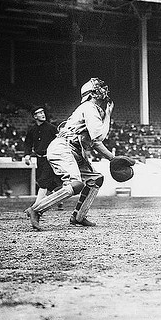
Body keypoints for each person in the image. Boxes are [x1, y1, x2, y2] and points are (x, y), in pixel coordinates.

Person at [24, 78, 127, 231]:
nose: (103, 90)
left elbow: (96, 140)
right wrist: (108, 117)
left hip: (73, 150)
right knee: (76, 184)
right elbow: (98, 138)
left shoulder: (92, 109)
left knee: (96, 179)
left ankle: (79, 216)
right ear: (91, 94)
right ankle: (36, 209)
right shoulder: (89, 107)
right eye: (98, 88)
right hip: (63, 147)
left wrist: (112, 157)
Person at [23, 106, 63, 210]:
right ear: (34, 116)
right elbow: (27, 143)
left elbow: (61, 140)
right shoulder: (32, 130)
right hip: (39, 159)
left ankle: (35, 207)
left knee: (43, 182)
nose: (42, 114)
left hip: (50, 158)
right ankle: (58, 199)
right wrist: (27, 155)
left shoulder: (51, 128)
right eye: (39, 113)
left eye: (43, 112)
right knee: (48, 183)